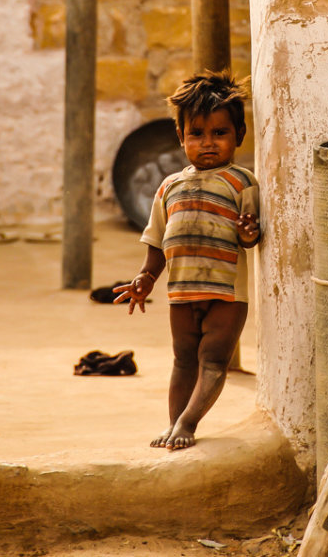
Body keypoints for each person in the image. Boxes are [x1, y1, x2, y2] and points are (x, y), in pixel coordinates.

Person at [113, 70, 260, 451]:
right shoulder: (169, 187)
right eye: (197, 134)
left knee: (213, 360)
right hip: (181, 292)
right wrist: (145, 278)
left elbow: (252, 237)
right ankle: (173, 422)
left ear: (238, 135)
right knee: (183, 361)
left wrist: (247, 232)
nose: (208, 143)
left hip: (227, 294)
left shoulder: (243, 183)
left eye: (219, 133)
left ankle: (189, 423)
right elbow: (157, 240)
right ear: (181, 137)